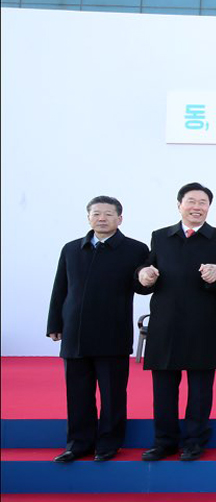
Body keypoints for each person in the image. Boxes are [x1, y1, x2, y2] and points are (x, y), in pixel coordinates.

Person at [137, 182, 216, 462]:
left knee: (200, 390)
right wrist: (144, 275)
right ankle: (164, 441)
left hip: (201, 323)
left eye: (202, 202)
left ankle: (194, 441)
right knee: (164, 389)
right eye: (191, 201)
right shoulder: (160, 236)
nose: (197, 207)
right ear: (179, 204)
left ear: (209, 207)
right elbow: (146, 272)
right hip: (165, 323)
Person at [46, 196, 149, 463]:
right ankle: (78, 443)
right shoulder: (71, 249)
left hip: (112, 332)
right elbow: (60, 288)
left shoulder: (135, 250)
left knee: (113, 393)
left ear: (120, 219)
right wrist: (54, 324)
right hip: (75, 333)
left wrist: (147, 278)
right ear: (88, 217)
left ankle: (109, 443)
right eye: (96, 214)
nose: (101, 218)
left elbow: (142, 286)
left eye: (108, 214)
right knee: (77, 392)